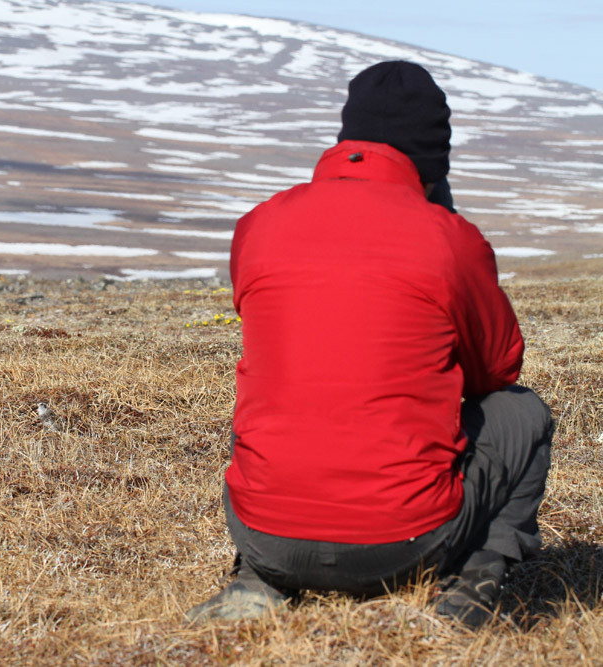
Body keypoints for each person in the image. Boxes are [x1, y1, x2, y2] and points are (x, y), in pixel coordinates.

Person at [186, 61, 554, 628]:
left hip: (264, 534)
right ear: (434, 161)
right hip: (407, 543)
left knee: (288, 393)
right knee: (523, 412)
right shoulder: (447, 239)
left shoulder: (258, 224)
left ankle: (256, 580)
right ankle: (471, 589)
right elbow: (497, 372)